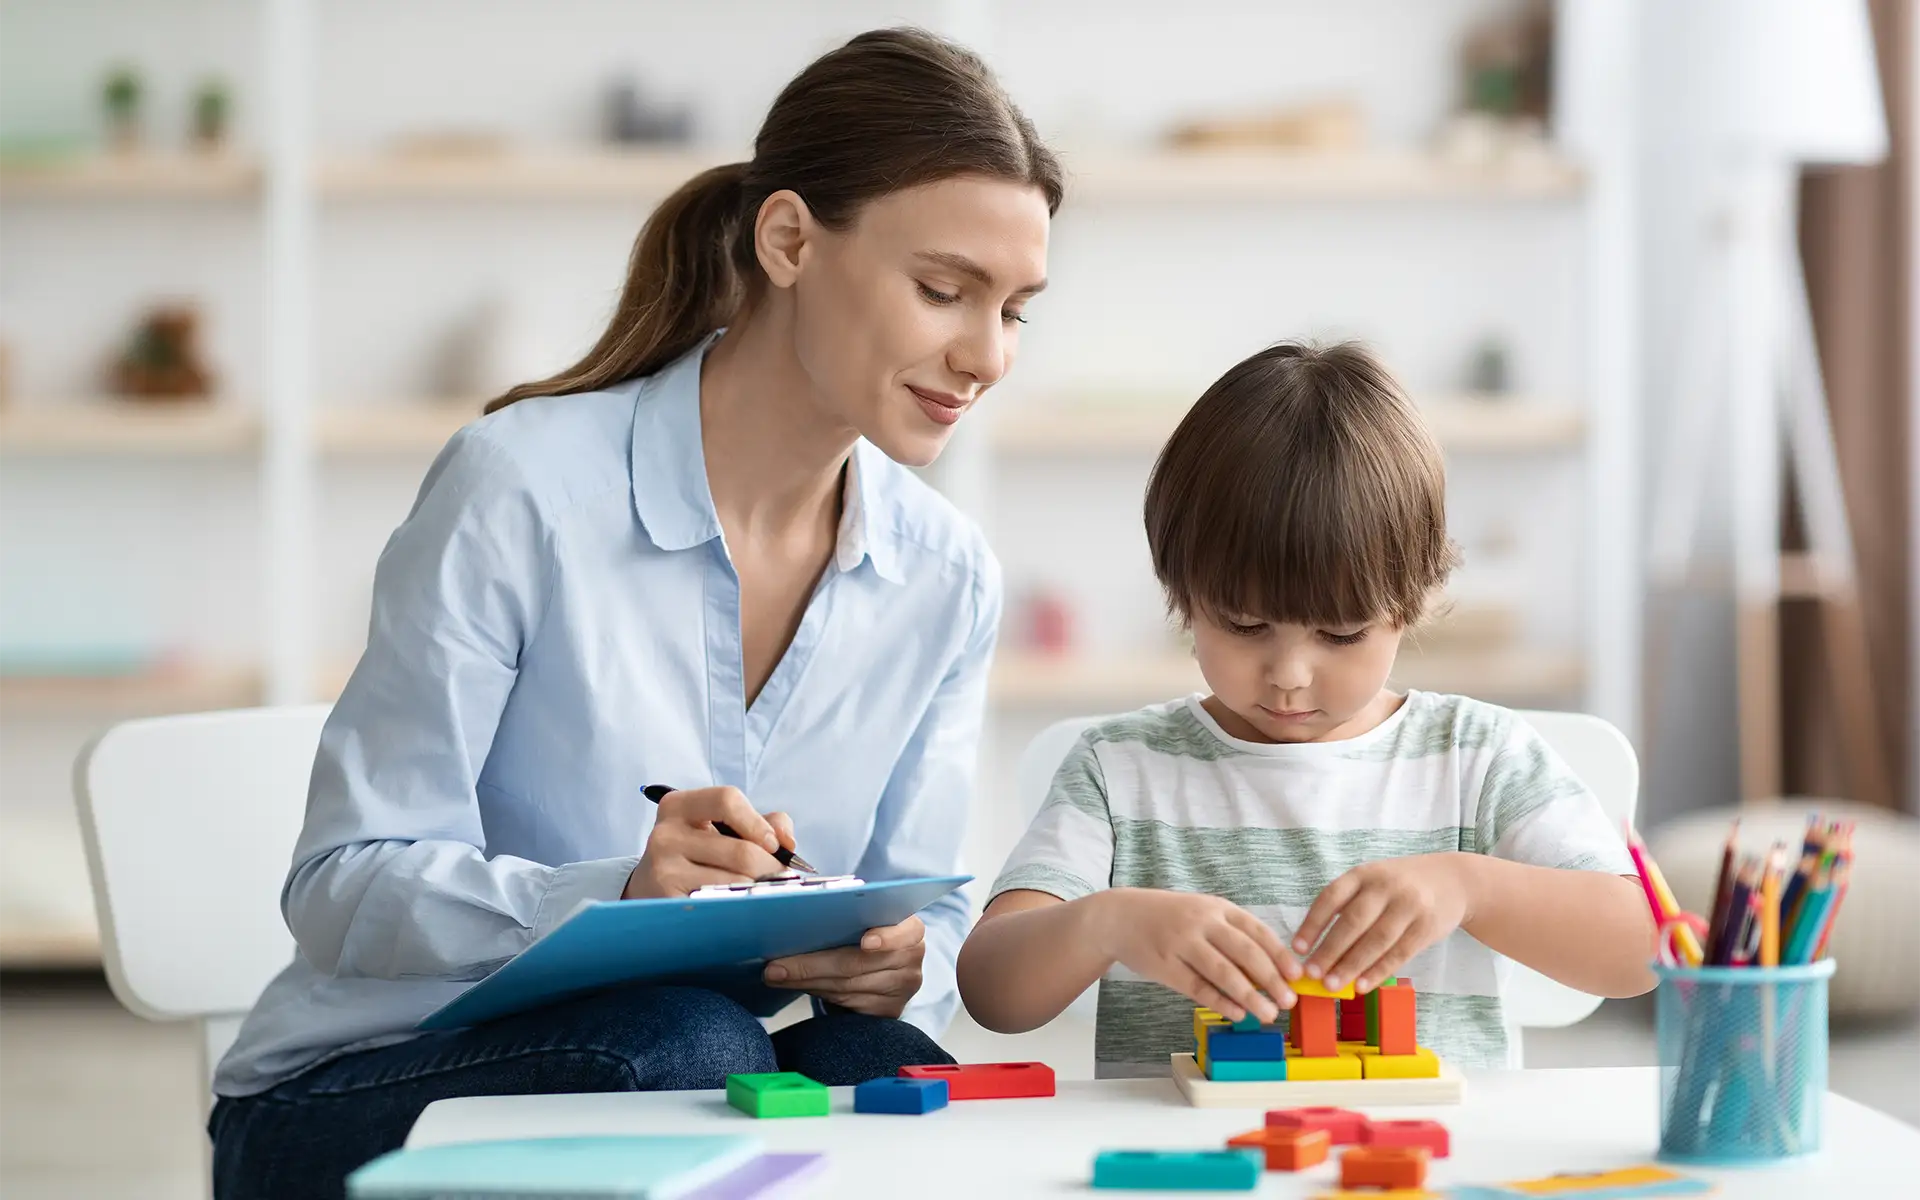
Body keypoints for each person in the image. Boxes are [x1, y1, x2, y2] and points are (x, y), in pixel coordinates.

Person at [210, 28, 1060, 1199]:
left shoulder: (945, 575)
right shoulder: (520, 488)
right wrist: (613, 893)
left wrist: (903, 963)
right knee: (688, 1049)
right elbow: (343, 882)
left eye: (1017, 310)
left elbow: (933, 908)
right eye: (943, 290)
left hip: (668, 1080)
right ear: (790, 240)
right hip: (359, 1099)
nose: (986, 355)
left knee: (885, 1063)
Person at [956, 341, 1656, 1079]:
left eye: (1342, 634)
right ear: (1182, 594)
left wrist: (1471, 886)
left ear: (1410, 604)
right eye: (1244, 626)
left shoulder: (1477, 757)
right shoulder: (1121, 769)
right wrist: (1106, 923)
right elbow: (992, 993)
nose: (1289, 675)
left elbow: (1644, 951)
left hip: (1416, 1169)